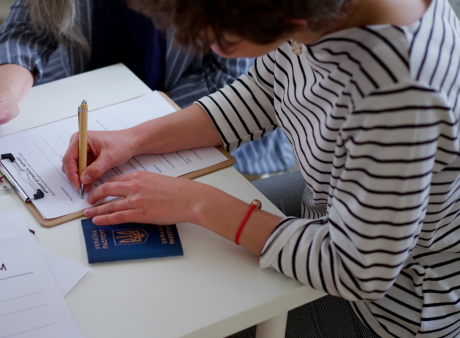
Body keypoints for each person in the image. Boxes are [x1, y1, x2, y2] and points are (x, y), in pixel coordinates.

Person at [61, 0, 460, 336]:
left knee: (171, 315)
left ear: (293, 23)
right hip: (327, 209)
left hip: (389, 308)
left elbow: (358, 271)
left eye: (223, 42)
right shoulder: (319, 11)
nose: (214, 51)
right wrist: (134, 138)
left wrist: (199, 204)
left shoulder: (400, 96)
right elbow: (265, 90)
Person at [0, 0, 296, 179]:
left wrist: (132, 135)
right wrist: (2, 99)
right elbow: (27, 32)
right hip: (99, 128)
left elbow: (227, 80)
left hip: (209, 129)